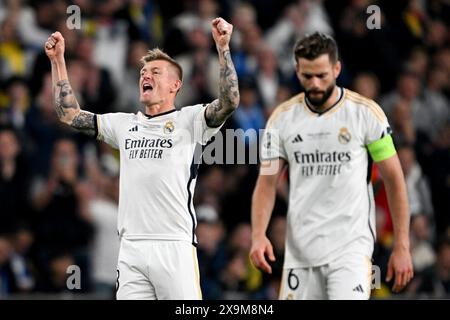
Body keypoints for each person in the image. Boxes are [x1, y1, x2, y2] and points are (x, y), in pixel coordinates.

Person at [44, 17, 239, 300]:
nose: (145, 76)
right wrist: (58, 61)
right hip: (132, 247)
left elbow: (230, 101)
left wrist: (223, 49)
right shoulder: (123, 124)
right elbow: (69, 114)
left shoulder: (191, 120)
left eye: (156, 72)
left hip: (174, 245)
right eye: (143, 72)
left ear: (175, 85)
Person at [249, 32, 413, 300]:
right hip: (301, 251)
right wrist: (258, 235)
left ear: (336, 69)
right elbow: (267, 183)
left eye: (322, 75)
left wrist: (402, 246)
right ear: (297, 70)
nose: (314, 83)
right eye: (307, 75)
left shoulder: (365, 114)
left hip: (350, 248)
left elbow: (395, 180)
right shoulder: (281, 120)